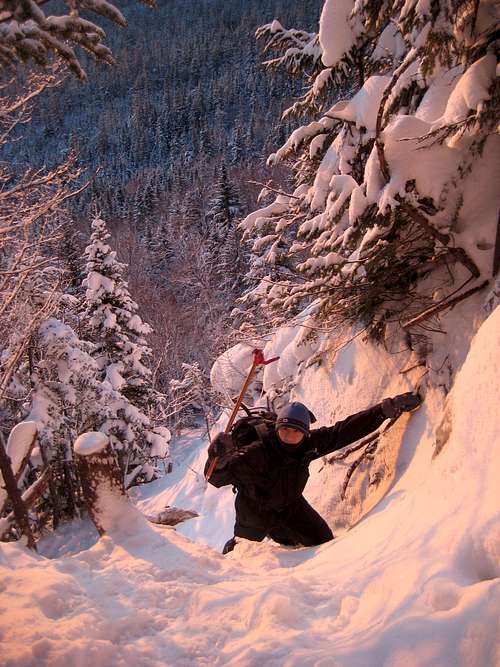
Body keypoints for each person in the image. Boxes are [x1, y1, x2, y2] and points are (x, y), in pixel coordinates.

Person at [205, 393, 422, 554]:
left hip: (291, 506)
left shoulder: (309, 445)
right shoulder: (256, 452)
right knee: (240, 557)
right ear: (277, 428)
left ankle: (283, 536)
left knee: (325, 542)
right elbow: (215, 478)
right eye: (285, 430)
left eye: (296, 432)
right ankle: (231, 549)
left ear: (305, 433)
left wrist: (384, 410)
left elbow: (344, 431)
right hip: (254, 512)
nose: (289, 436)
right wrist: (217, 458)